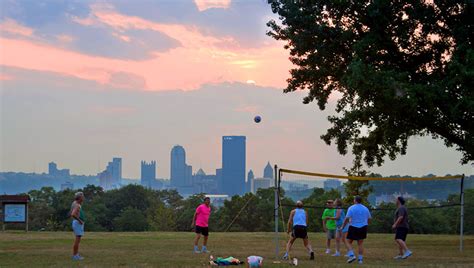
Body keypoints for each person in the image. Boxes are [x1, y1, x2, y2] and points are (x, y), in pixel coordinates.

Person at [342, 196, 372, 264]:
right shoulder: (365, 208)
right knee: (360, 243)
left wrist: (342, 226)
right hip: (363, 227)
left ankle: (351, 255)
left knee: (347, 241)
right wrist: (366, 224)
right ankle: (360, 260)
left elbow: (347, 218)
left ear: (355, 200)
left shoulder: (351, 208)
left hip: (353, 226)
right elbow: (369, 218)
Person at [70, 192, 85, 261]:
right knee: (77, 240)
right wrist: (80, 220)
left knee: (77, 240)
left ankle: (76, 254)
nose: (83, 198)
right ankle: (75, 255)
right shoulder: (77, 205)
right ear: (79, 198)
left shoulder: (75, 203)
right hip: (77, 223)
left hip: (76, 223)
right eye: (82, 197)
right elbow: (73, 214)